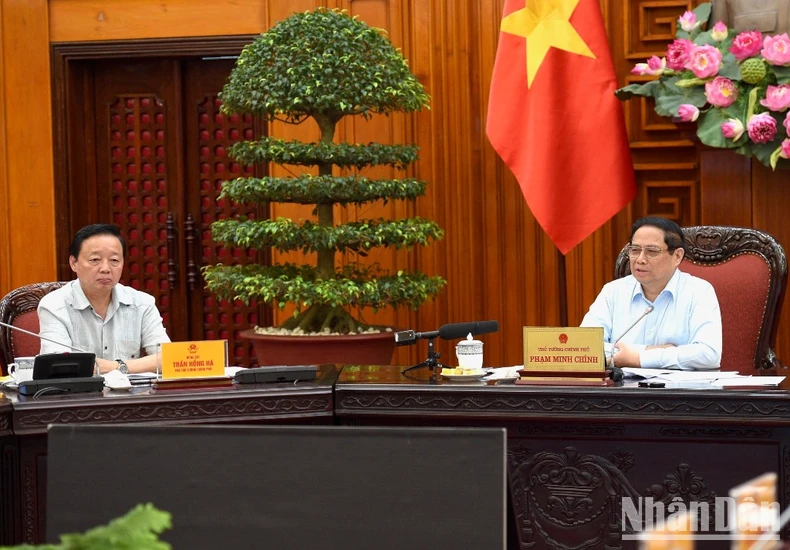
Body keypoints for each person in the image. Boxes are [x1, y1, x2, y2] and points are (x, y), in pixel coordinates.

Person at [580, 216, 722, 370]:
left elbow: (708, 355)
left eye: (651, 251)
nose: (640, 259)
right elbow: (584, 348)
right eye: (634, 250)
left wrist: (637, 357)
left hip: (678, 392)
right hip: (621, 390)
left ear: (677, 256)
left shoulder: (699, 292)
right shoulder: (613, 292)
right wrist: (648, 351)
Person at [38, 224, 170, 374]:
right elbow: (61, 366)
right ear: (74, 263)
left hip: (130, 396)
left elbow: (167, 358)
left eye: (114, 260)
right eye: (95, 260)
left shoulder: (142, 304)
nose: (106, 268)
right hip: (77, 396)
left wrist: (116, 367)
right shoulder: (54, 306)